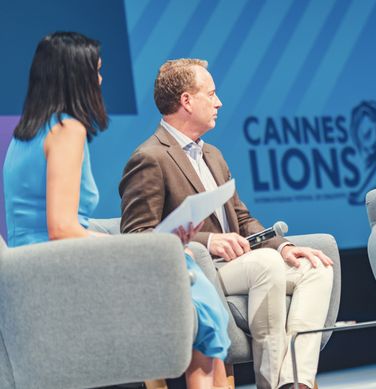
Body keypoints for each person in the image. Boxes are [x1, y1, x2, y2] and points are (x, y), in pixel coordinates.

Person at [2, 32, 229, 389]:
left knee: (185, 271)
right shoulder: (68, 128)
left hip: (29, 271)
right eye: (96, 71)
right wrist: (140, 249)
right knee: (193, 293)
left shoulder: (23, 134)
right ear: (75, 76)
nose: (100, 80)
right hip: (57, 273)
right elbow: (61, 228)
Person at [119, 58, 334, 389]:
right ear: (187, 101)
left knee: (317, 267)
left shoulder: (214, 155)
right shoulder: (150, 157)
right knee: (264, 264)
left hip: (238, 264)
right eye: (211, 93)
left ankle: (295, 381)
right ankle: (270, 383)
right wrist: (205, 241)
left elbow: (243, 219)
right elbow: (136, 236)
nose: (218, 102)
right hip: (200, 269)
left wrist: (286, 247)